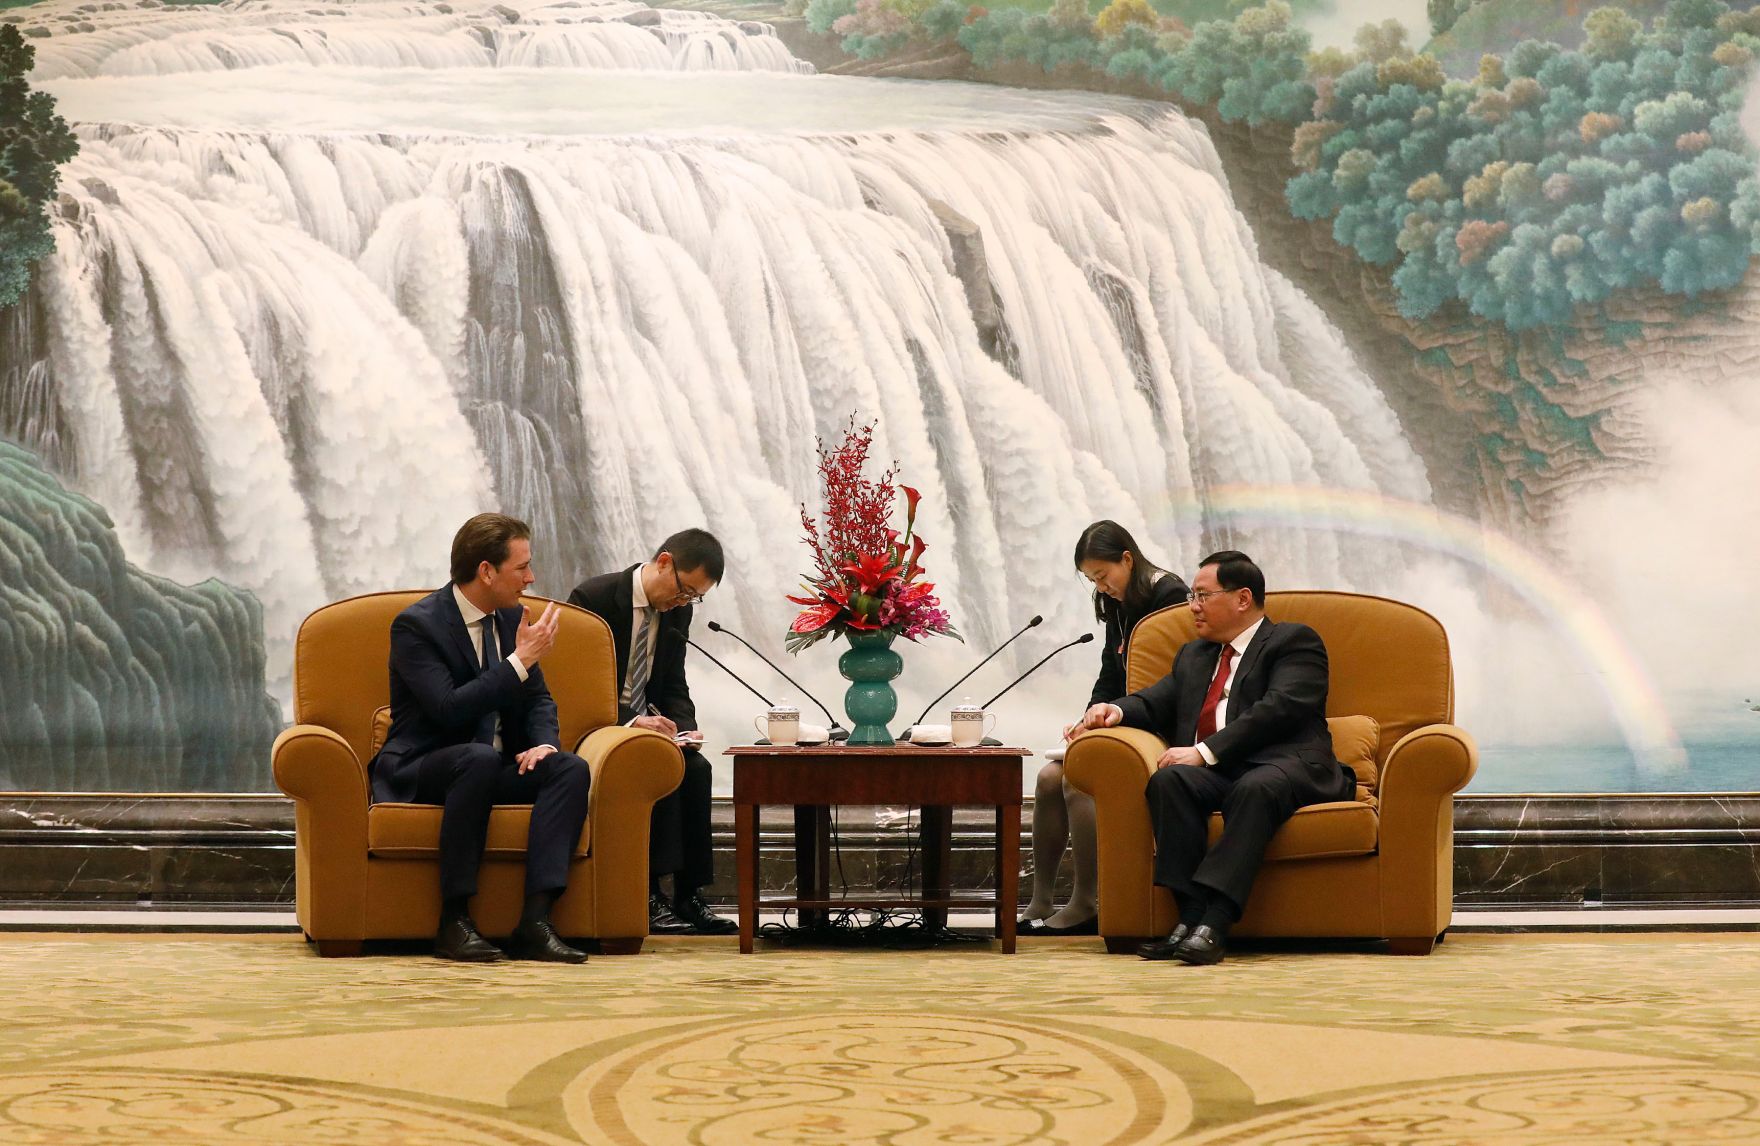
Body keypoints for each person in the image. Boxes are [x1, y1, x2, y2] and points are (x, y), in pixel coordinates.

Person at [1072, 550, 1355, 965]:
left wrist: (1204, 752)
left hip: (1288, 765)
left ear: (1243, 598)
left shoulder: (1294, 641)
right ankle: (1188, 919)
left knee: (1256, 787)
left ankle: (1216, 922)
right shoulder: (1195, 655)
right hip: (1225, 772)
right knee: (1168, 781)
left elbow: (1279, 709)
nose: (1192, 606)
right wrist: (1115, 710)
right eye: (1192, 595)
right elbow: (1157, 700)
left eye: (1202, 595)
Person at [371, 513, 592, 964]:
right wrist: (519, 660)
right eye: (521, 568)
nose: (531, 578)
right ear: (487, 571)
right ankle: (453, 922)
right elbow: (447, 708)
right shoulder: (417, 626)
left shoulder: (513, 619)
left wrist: (544, 743)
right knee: (476, 758)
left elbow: (538, 701)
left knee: (569, 767)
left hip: (490, 767)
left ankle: (535, 922)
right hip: (425, 765)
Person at [568, 528, 737, 936]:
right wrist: (630, 720)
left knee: (694, 767)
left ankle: (689, 895)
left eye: (694, 596)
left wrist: (686, 726)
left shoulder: (678, 611)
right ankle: (649, 897)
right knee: (647, 760)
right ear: (663, 562)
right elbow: (574, 684)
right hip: (599, 726)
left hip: (649, 725)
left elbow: (674, 683)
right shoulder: (593, 599)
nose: (684, 601)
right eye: (684, 590)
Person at [1022, 521, 1187, 935]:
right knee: (1047, 778)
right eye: (1092, 579)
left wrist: (1113, 713)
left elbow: (1172, 681)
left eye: (1103, 575)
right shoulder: (1115, 603)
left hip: (1161, 722)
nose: (1101, 586)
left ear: (1127, 559)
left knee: (1080, 782)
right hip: (1122, 717)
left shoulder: (1169, 596)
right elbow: (1110, 673)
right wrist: (1086, 719)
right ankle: (1041, 900)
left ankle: (1088, 901)